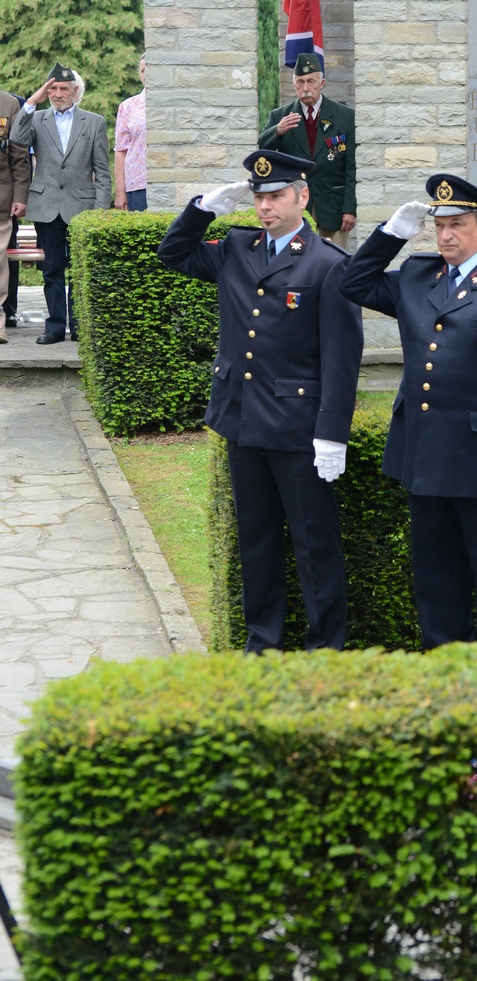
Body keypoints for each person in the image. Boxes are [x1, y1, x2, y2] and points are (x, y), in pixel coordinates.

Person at [157, 149, 364, 654]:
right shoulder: (237, 248)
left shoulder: (329, 265)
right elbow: (173, 253)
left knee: (314, 546)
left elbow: (342, 359)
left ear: (303, 196)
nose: (265, 207)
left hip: (298, 430)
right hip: (243, 421)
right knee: (257, 541)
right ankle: (262, 643)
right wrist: (202, 208)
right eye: (258, 197)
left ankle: (326, 651)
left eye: (276, 196)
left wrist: (332, 432)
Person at [341, 173, 477, 648]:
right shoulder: (419, 277)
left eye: (457, 224)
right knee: (436, 577)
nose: (445, 236)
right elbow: (352, 282)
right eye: (438, 226)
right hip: (426, 455)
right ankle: (443, 668)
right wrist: (390, 234)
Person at [10, 62, 111, 344]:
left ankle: (79, 326)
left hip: (81, 207)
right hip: (47, 206)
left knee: (79, 269)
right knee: (52, 269)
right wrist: (31, 101)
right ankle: (54, 327)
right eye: (52, 88)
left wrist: (100, 211)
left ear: (75, 91)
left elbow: (102, 170)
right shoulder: (38, 118)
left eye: (63, 88)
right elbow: (17, 138)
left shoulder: (94, 122)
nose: (57, 93)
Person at [259, 52, 356, 245]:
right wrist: (278, 131)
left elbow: (351, 167)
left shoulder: (345, 116)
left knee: (332, 261)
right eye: (300, 82)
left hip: (332, 203)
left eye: (311, 81)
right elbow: (262, 150)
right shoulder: (280, 116)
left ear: (322, 83)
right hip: (294, 203)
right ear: (294, 85)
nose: (306, 88)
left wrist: (350, 208)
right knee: (296, 260)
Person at [0, 89, 29, 345]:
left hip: (2, 198)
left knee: (2, 262)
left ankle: (2, 318)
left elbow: (20, 157)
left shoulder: (10, 104)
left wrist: (20, 195)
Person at [114, 54, 148, 211]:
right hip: (138, 185)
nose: (146, 74)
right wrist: (120, 192)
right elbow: (121, 151)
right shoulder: (128, 107)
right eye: (143, 70)